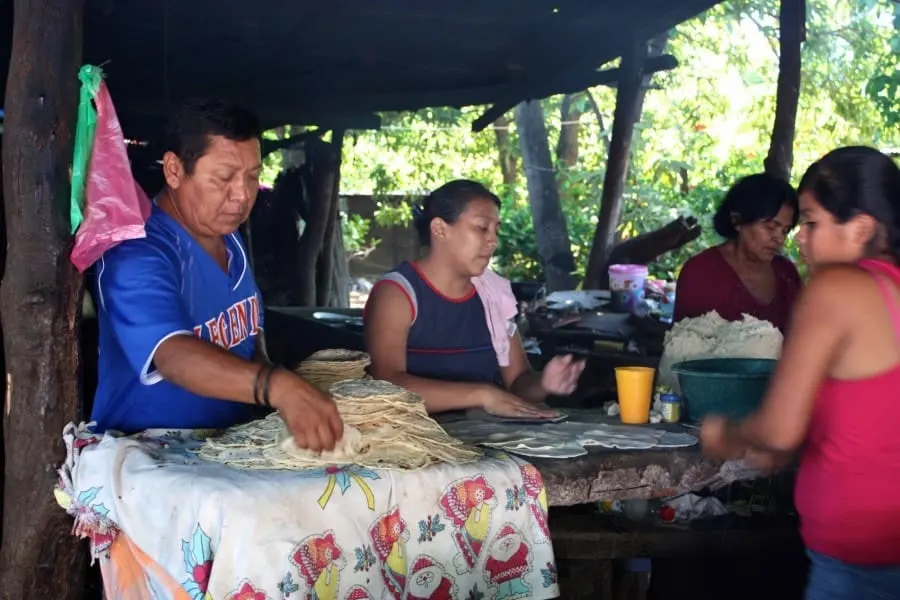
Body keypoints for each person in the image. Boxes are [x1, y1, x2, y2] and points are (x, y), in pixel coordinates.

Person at [701, 147, 900, 598]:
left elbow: (779, 430)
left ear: (862, 228)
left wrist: (723, 434)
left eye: (810, 223)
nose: (800, 239)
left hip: (859, 559)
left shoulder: (836, 288)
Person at [90, 99, 343, 451]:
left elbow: (250, 333)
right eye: (224, 178)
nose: (241, 195)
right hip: (149, 452)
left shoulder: (227, 236)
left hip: (228, 443)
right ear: (175, 170)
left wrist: (271, 394)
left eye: (253, 177)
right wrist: (278, 386)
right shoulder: (137, 253)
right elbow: (172, 354)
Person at [364, 179, 585, 418]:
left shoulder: (493, 295)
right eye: (482, 228)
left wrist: (543, 384)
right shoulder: (398, 294)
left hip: (485, 440)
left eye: (496, 230)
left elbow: (518, 384)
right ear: (440, 230)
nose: (493, 240)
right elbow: (386, 385)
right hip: (414, 441)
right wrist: (480, 394)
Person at [674, 173, 802, 331]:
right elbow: (683, 346)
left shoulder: (787, 274)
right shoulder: (701, 271)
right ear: (737, 220)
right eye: (770, 227)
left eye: (785, 231)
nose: (779, 239)